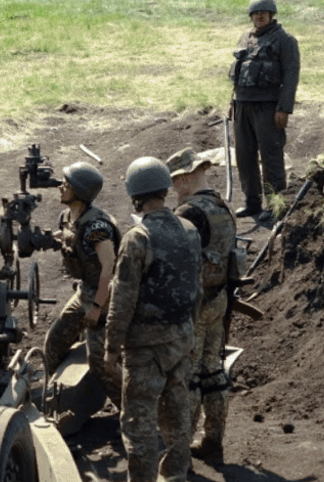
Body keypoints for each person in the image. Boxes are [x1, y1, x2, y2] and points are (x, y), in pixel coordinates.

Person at [104, 157, 201, 482]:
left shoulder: (138, 237)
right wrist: (191, 331)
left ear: (136, 194)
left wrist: (112, 347)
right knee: (178, 416)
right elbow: (195, 286)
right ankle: (175, 476)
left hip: (145, 349)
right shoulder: (189, 230)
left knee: (139, 424)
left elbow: (123, 297)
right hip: (182, 339)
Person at [166, 147, 238, 463]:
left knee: (189, 376)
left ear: (188, 176)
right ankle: (213, 440)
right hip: (220, 298)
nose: (174, 186)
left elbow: (174, 262)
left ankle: (180, 448)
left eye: (178, 178)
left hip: (194, 304)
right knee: (214, 371)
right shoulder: (223, 206)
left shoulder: (188, 213)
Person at [42, 162, 122, 409]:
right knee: (53, 344)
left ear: (80, 192)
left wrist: (97, 308)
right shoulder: (66, 218)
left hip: (104, 299)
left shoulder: (97, 227)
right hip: (84, 293)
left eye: (67, 184)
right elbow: (72, 240)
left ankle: (132, 415)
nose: (60, 186)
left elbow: (108, 269)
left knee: (101, 365)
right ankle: (61, 402)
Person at [228, 0, 300, 219]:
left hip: (268, 107)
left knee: (270, 155)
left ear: (271, 15)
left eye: (264, 13)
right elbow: (240, 72)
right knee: (244, 156)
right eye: (255, 13)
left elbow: (291, 75)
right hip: (242, 105)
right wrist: (233, 102)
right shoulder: (244, 38)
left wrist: (284, 108)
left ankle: (275, 203)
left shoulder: (285, 40)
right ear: (251, 16)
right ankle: (252, 202)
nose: (259, 16)